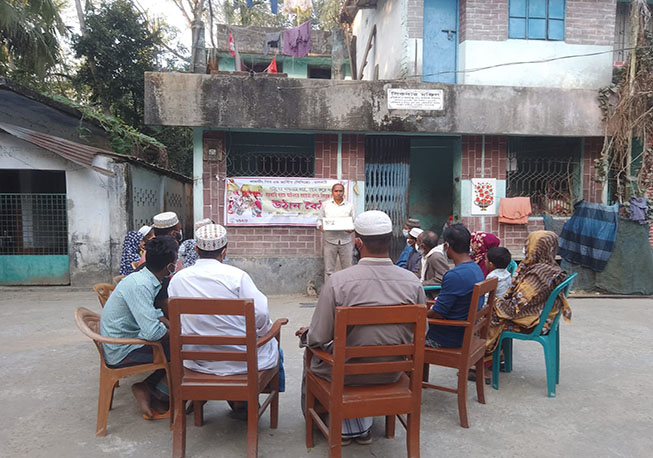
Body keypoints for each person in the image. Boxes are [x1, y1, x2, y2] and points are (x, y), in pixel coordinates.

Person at [296, 210, 426, 445]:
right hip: (393, 372)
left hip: (345, 374)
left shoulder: (339, 281)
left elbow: (319, 336)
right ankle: (359, 427)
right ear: (391, 239)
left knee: (311, 356)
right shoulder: (412, 283)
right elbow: (422, 333)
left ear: (358, 242)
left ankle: (331, 422)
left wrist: (307, 336)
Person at [168, 224, 280, 419]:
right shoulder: (237, 277)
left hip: (198, 361)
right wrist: (263, 333)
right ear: (224, 250)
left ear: (196, 249)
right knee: (273, 343)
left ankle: (231, 400)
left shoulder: (178, 279)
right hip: (241, 362)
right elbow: (261, 314)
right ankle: (246, 401)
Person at [100, 236, 178, 419]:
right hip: (122, 350)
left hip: (125, 340)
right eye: (176, 260)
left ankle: (148, 388)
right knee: (183, 350)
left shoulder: (144, 278)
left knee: (178, 343)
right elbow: (152, 332)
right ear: (170, 268)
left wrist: (168, 324)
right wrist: (173, 333)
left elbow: (151, 311)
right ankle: (158, 395)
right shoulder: (140, 285)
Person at [486, 231, 571, 354]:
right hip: (543, 316)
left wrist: (494, 302)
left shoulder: (537, 275)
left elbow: (512, 308)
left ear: (535, 248)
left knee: (483, 319)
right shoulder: (551, 267)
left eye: (528, 244)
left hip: (534, 323)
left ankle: (485, 362)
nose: (525, 248)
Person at [426, 224, 484, 349]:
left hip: (447, 337)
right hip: (465, 331)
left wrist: (422, 315)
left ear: (447, 246)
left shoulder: (454, 275)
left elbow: (438, 314)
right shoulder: (476, 268)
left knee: (405, 335)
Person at [317, 183, 355, 282]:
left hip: (345, 240)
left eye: (340, 191)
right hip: (330, 240)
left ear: (344, 193)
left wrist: (351, 229)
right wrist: (320, 226)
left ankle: (347, 291)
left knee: (348, 269)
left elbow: (354, 222)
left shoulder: (349, 206)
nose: (338, 193)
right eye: (336, 191)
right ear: (332, 193)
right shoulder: (325, 205)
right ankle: (329, 292)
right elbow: (319, 220)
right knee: (329, 270)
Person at [417, 230, 450, 296]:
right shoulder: (425, 257)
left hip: (433, 296)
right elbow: (420, 274)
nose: (417, 246)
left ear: (423, 246)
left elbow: (442, 279)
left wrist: (421, 283)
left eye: (417, 244)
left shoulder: (435, 257)